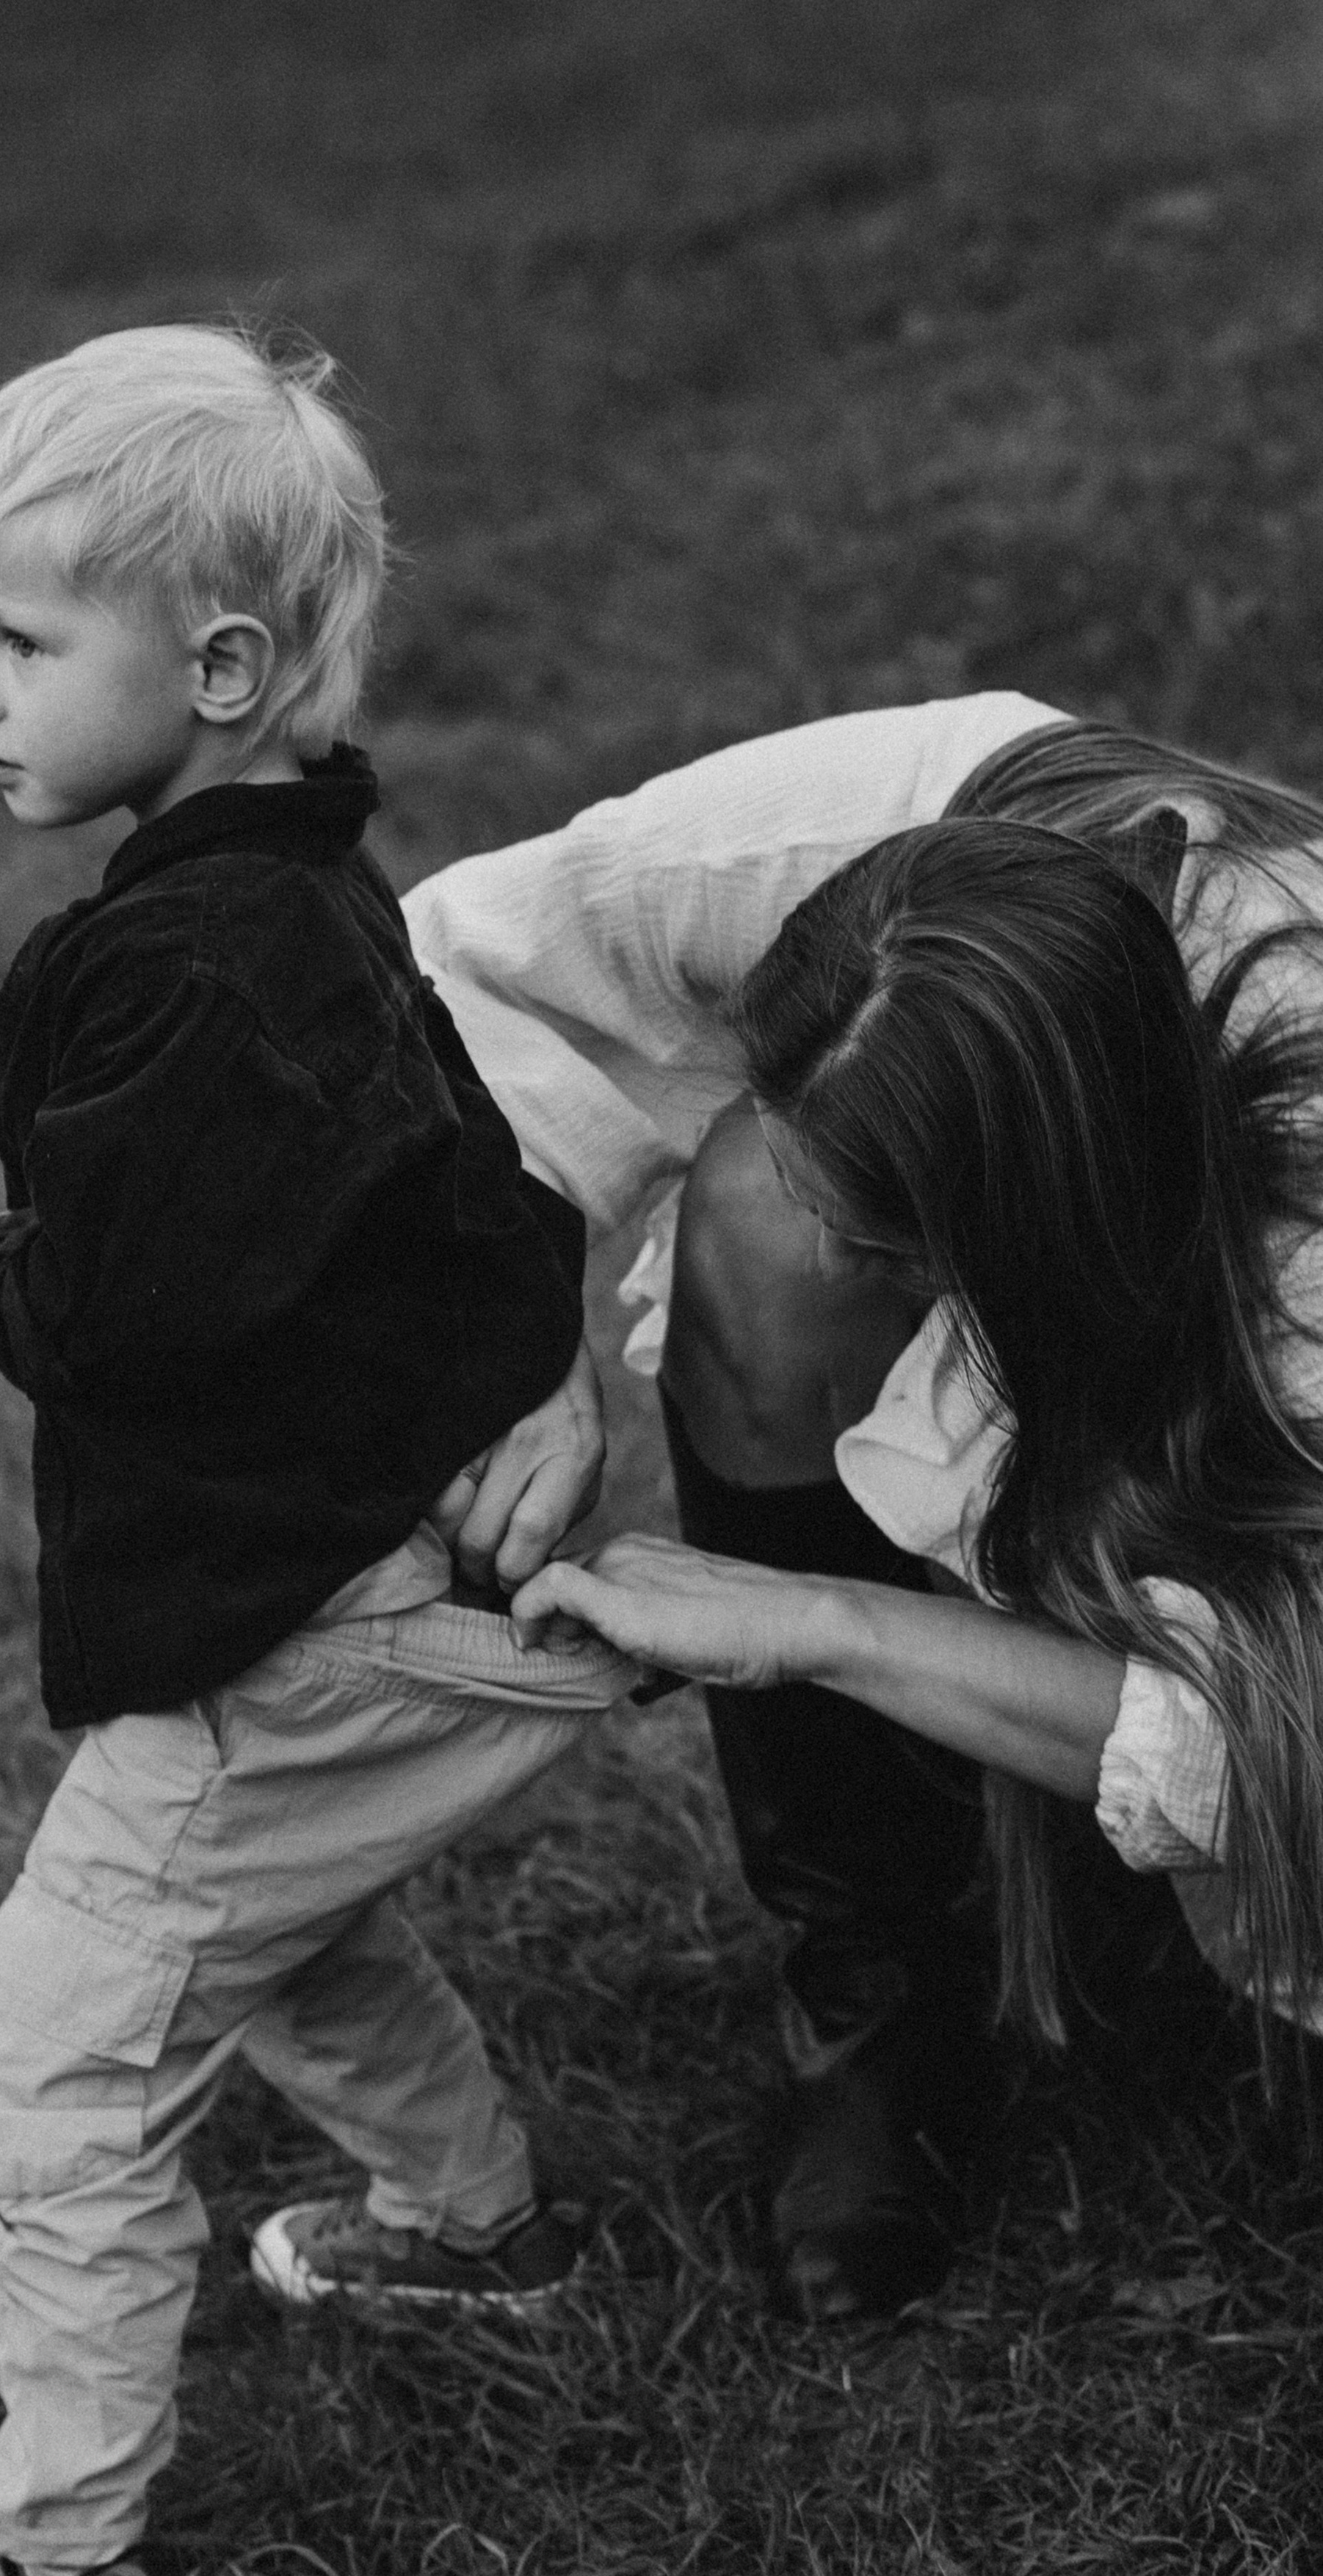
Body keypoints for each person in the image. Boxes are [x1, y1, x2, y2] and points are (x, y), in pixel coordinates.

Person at [0, 324, 638, 2576]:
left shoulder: (183, 972)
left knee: (58, 2065)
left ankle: (59, 2560)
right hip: (358, 1580)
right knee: (287, 1934)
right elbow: (478, 1208)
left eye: (17, 641)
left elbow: (115, 1326)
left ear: (222, 667)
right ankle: (475, 2231)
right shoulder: (310, 897)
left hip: (273, 1628)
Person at [412, 707, 1323, 2318]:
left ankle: (1081, 1866)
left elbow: (1282, 1738)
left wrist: (816, 1623)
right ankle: (880, 1995)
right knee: (761, 1213)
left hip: (1233, 1374)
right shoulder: (866, 831)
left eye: (897, 1250)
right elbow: (425, 974)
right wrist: (522, 1322)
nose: (855, 1277)